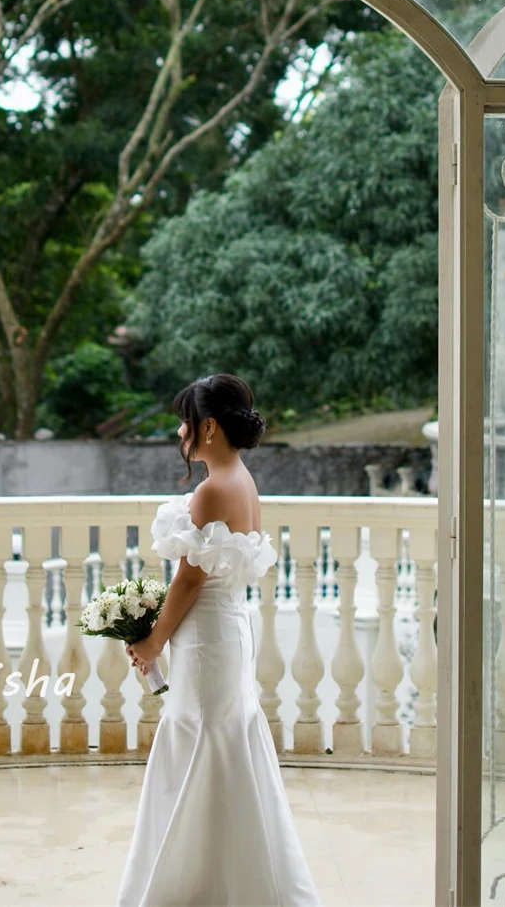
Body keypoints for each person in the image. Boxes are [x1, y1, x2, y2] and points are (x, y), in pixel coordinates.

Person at [115, 373, 323, 907]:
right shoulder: (242, 479)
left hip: (207, 640)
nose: (180, 432)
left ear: (208, 426)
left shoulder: (212, 490)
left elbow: (189, 579)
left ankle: (195, 886)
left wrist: (153, 640)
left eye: (186, 421)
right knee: (221, 745)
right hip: (227, 630)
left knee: (204, 743)